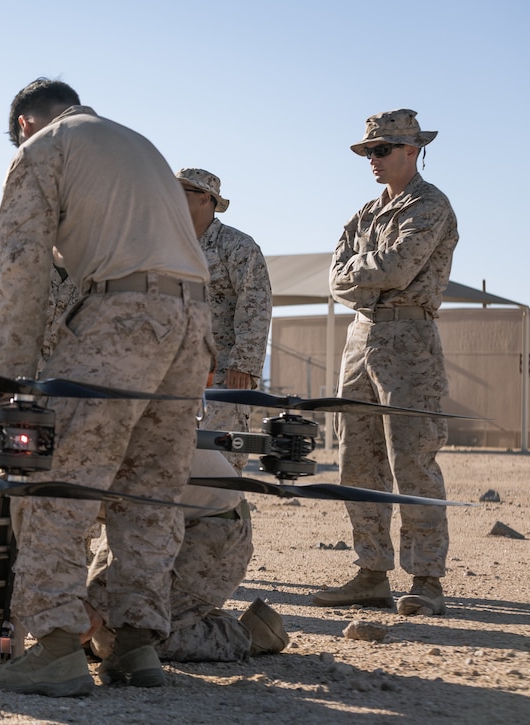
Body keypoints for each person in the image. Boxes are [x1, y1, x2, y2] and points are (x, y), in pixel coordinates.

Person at [0, 78, 213, 696]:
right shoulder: (137, 143)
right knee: (148, 489)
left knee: (56, 476)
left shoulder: (43, 149)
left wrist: (10, 384)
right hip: (191, 325)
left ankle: (56, 645)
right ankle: (135, 644)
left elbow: (23, 268)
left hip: (122, 318)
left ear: (26, 125)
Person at [312, 109, 457, 617]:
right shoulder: (363, 214)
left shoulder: (431, 205)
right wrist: (362, 274)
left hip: (409, 337)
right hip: (362, 335)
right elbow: (335, 279)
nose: (371, 160)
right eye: (368, 152)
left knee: (412, 457)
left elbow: (397, 268)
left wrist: (361, 272)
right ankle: (371, 572)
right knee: (358, 459)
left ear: (411, 150)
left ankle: (426, 578)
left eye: (381, 150)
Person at [86, 450, 288, 663]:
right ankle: (180, 617)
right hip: (141, 524)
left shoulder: (79, 440)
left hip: (211, 528)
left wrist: (99, 607)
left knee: (118, 641)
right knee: (80, 625)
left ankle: (244, 635)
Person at [177, 168, 272, 473]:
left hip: (223, 375)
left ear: (206, 198)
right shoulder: (168, 245)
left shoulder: (236, 246)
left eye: (182, 192)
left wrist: (244, 364)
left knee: (219, 463)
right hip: (173, 372)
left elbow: (255, 303)